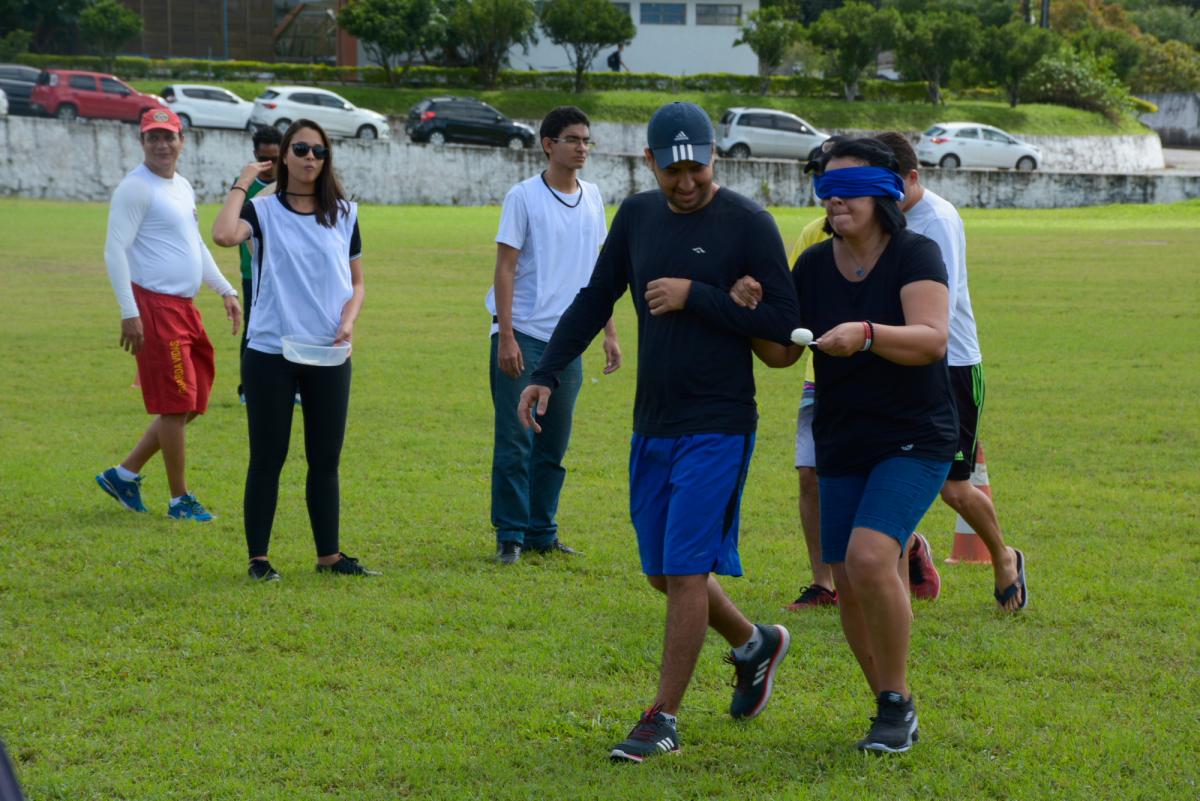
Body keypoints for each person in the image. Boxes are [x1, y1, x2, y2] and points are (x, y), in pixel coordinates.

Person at [517, 102, 799, 763]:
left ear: (714, 157)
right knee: (663, 574)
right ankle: (755, 642)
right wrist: (548, 370)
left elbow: (788, 324)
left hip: (720, 423)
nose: (686, 181)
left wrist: (699, 295)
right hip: (654, 424)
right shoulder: (638, 217)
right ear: (649, 163)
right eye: (671, 169)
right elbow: (595, 296)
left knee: (684, 569)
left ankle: (663, 716)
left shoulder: (749, 225)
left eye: (696, 166)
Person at [748, 138, 958, 753]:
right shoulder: (813, 267)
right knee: (845, 575)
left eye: (848, 187)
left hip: (914, 435)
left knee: (868, 558)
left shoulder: (916, 254)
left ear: (884, 192)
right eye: (826, 187)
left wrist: (866, 334)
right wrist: (751, 316)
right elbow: (784, 354)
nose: (833, 199)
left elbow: (931, 338)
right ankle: (893, 705)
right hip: (843, 434)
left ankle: (894, 704)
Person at [211, 119, 376, 581]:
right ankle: (259, 560)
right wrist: (244, 181)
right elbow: (224, 235)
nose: (310, 158)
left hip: (329, 353)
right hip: (270, 352)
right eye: (300, 149)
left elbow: (357, 282)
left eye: (319, 151)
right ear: (283, 156)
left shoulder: (344, 213)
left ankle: (329, 556)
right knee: (268, 457)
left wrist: (348, 319)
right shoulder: (264, 211)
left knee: (326, 459)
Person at [875, 131, 1026, 611]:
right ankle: (905, 558)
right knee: (882, 465)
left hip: (952, 367)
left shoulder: (934, 220)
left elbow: (937, 301)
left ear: (912, 178)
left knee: (953, 487)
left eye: (890, 187)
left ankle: (1003, 556)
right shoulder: (884, 218)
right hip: (899, 359)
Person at [487, 106, 621, 565]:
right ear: (548, 144)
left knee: (554, 443)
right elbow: (505, 268)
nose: (582, 147)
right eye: (572, 139)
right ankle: (510, 533)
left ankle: (543, 530)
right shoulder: (523, 197)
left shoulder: (593, 196)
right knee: (516, 438)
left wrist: (609, 332)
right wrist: (505, 336)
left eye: (586, 140)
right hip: (524, 333)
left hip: (569, 343)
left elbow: (599, 276)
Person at [96, 108, 242, 522]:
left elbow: (193, 244)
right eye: (152, 138)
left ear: (182, 141)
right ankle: (180, 500)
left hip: (185, 308)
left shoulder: (181, 186)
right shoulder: (135, 189)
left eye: (168, 137)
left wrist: (225, 289)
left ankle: (124, 475)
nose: (161, 145)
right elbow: (115, 250)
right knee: (176, 403)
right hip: (155, 308)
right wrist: (129, 312)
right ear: (141, 143)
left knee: (193, 400)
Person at [234, 126, 281, 403]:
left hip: (285, 273)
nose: (269, 166)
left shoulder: (292, 185)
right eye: (263, 158)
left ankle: (293, 387)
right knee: (253, 329)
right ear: (254, 155)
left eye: (274, 159)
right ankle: (248, 390)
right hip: (254, 273)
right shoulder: (244, 186)